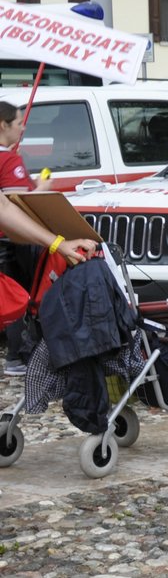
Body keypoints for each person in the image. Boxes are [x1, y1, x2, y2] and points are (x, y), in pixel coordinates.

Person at [0, 101, 38, 377]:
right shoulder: (10, 161)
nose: (23, 127)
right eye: (19, 122)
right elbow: (18, 203)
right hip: (9, 239)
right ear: (4, 125)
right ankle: (18, 357)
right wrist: (43, 187)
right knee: (16, 296)